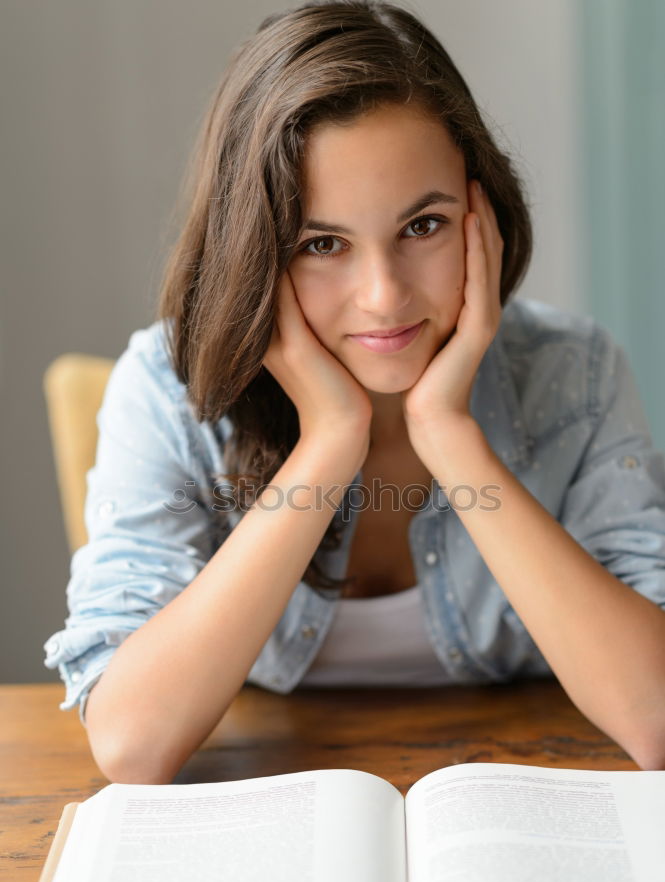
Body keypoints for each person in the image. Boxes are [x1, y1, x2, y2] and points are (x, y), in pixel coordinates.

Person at [44, 0, 665, 782]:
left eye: (422, 227)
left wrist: (447, 434)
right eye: (321, 244)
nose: (382, 295)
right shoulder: (168, 389)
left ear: (483, 213)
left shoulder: (572, 373)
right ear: (254, 249)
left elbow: (654, 718)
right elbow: (131, 743)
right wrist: (330, 441)